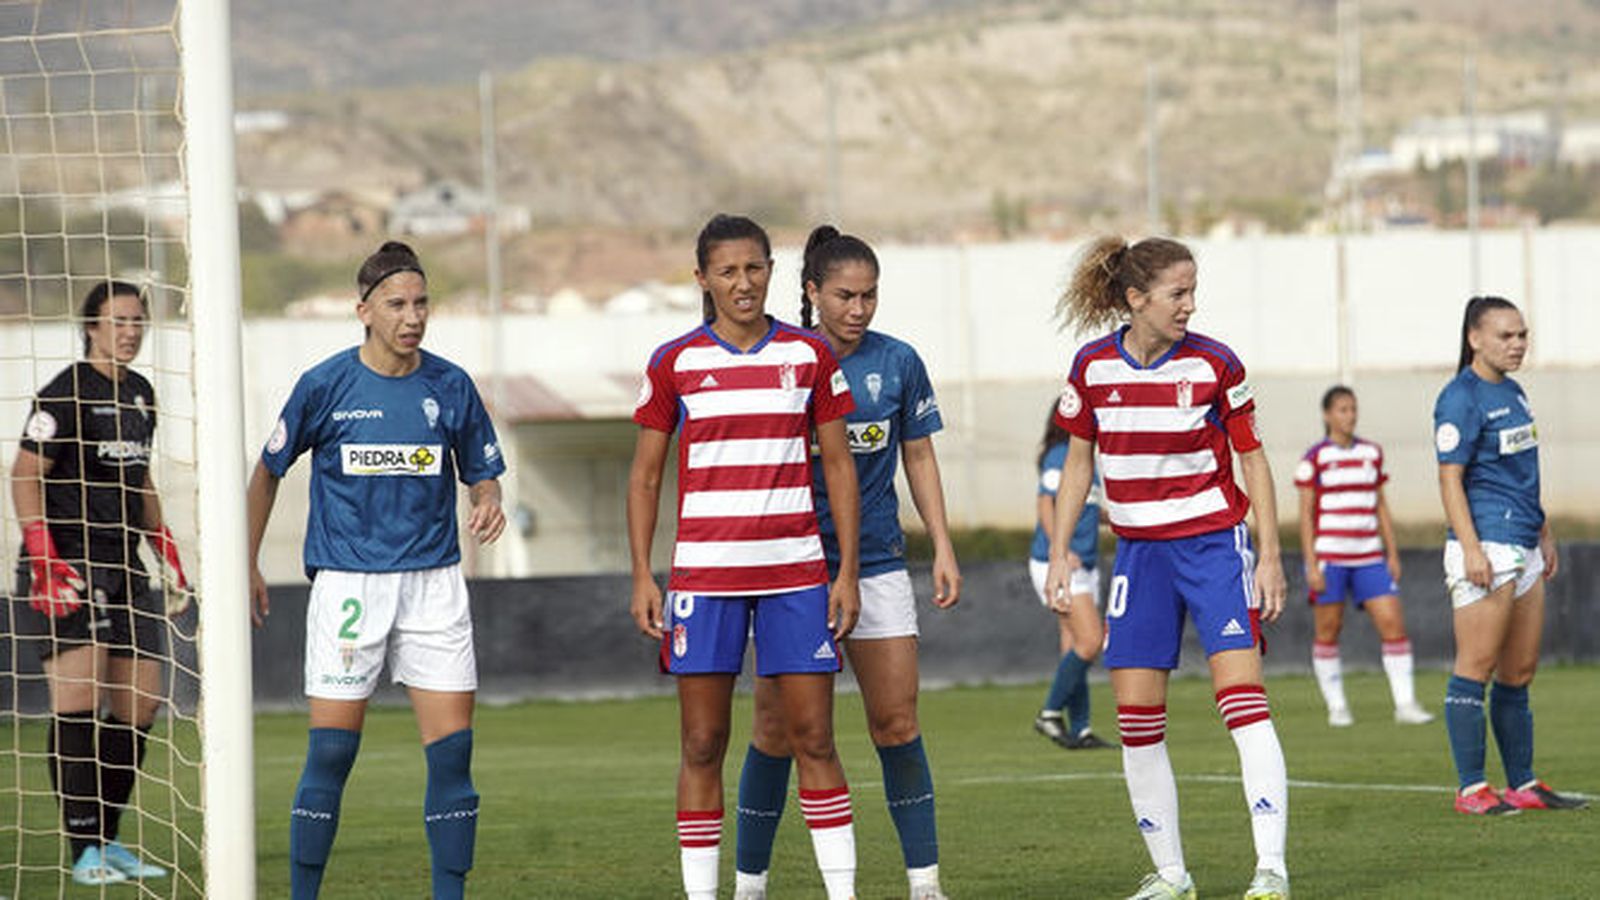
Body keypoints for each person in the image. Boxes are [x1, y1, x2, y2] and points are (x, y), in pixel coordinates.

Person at [246, 241, 507, 899]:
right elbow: (267, 472)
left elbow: (483, 472)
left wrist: (488, 499)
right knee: (331, 755)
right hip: (349, 586)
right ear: (364, 310)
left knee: (453, 759)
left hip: (435, 586)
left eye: (421, 303)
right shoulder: (325, 384)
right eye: (397, 304)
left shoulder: (450, 385)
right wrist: (245, 561)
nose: (412, 316)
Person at [1043, 236, 1290, 900]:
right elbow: (1076, 466)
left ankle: (1271, 870)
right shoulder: (1092, 367)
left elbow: (1255, 461)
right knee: (1135, 719)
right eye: (1177, 293)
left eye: (1192, 291)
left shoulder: (1215, 365)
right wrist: (1063, 550)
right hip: (1139, 556)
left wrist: (1267, 555)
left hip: (1212, 547)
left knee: (1242, 705)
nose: (1190, 304)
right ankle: (1172, 875)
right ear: (1136, 299)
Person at [628, 214, 863, 900]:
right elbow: (644, 477)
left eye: (755, 268)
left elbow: (840, 466)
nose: (744, 283)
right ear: (702, 279)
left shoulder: (809, 357)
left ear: (771, 271)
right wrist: (644, 574)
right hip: (706, 578)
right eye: (728, 271)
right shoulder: (675, 362)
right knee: (703, 743)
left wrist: (844, 571)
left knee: (814, 737)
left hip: (796, 575)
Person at [734, 226, 960, 900]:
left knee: (896, 721)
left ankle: (925, 885)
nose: (859, 309)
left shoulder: (898, 363)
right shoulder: (783, 357)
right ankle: (750, 885)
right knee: (777, 729)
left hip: (880, 563)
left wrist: (942, 543)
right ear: (811, 292)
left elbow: (918, 453)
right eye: (844, 296)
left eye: (869, 296)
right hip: (792, 567)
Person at [10, 280, 187, 885]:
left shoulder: (142, 395)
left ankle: (108, 841)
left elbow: (140, 483)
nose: (131, 331)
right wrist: (43, 557)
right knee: (78, 705)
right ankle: (83, 848)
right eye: (119, 321)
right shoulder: (63, 393)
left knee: (139, 704)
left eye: (139, 320)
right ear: (92, 327)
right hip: (68, 564)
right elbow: (24, 476)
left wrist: (166, 548)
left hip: (126, 565)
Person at [1433, 296, 1585, 815]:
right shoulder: (1460, 398)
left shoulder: (1516, 393)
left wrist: (1543, 530)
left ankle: (1523, 782)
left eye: (1522, 334)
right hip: (1487, 547)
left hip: (1524, 543)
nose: (1517, 344)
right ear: (1475, 338)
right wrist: (1472, 547)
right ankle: (1471, 788)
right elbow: (1449, 479)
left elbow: (1522, 472)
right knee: (1475, 667)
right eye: (1506, 335)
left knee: (1519, 672)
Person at [1294, 385, 1432, 727]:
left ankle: (1405, 703)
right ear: (1327, 415)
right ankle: (1337, 706)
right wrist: (1311, 563)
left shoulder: (1372, 453)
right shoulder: (1315, 459)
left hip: (1370, 555)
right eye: (1342, 409)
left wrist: (1393, 553)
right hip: (1331, 556)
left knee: (1392, 623)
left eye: (1353, 409)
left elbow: (1381, 506)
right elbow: (1306, 514)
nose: (1350, 415)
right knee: (1329, 629)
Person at [1029, 401, 1115, 751]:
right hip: (1061, 565)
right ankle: (1049, 713)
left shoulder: (1088, 460)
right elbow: (1045, 504)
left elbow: (1088, 509)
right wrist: (1059, 553)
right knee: (1092, 641)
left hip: (1085, 564)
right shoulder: (1061, 454)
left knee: (1074, 646)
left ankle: (1080, 728)